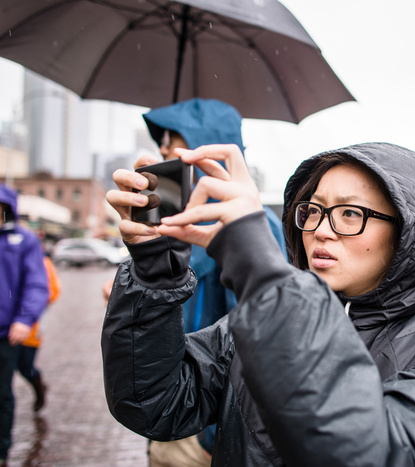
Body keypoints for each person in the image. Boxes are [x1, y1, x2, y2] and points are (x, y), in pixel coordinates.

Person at [102, 142, 415, 466]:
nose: (320, 230)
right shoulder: (249, 329)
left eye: (350, 213)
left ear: (407, 233)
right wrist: (155, 272)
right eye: (314, 210)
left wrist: (258, 268)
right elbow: (153, 404)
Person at [105, 98, 287, 465]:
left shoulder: (254, 226)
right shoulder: (172, 225)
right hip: (171, 407)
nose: (160, 153)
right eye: (160, 145)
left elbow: (258, 343)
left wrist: (216, 433)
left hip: (206, 426)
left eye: (170, 144)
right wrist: (141, 286)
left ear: (199, 147)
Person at [0, 184, 48, 466]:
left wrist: (24, 319)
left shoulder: (23, 241)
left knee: (3, 391)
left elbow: (36, 284)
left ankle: (2, 450)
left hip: (10, 333)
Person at [17, 252, 60, 412]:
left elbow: (53, 290)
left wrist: (28, 306)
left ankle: (39, 389)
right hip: (7, 324)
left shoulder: (41, 261)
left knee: (26, 366)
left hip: (31, 326)